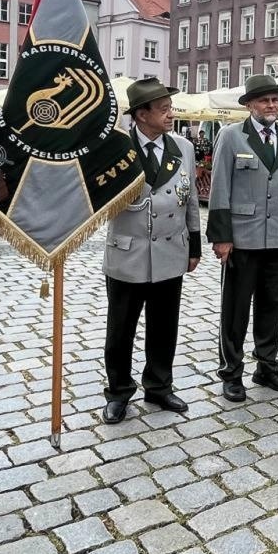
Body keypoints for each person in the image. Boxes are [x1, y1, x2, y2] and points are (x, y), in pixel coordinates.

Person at [102, 79, 200, 420]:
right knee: (121, 330)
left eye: (170, 108)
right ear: (142, 115)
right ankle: (118, 392)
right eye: (163, 109)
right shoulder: (117, 148)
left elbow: (190, 198)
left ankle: (159, 386)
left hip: (170, 251)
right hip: (127, 252)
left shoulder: (183, 147)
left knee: (164, 326)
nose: (170, 114)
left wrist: (194, 244)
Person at [208, 74, 278, 403]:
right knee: (235, 310)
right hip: (242, 238)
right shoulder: (231, 136)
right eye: (264, 100)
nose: (271, 105)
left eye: (275, 100)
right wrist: (221, 237)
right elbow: (219, 187)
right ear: (250, 105)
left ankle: (267, 366)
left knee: (271, 306)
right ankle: (231, 372)